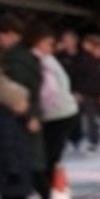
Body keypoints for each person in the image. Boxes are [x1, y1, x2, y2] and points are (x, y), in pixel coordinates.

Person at [33, 33, 81, 181]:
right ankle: (49, 188)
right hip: (64, 110)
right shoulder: (50, 59)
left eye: (51, 44)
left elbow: (49, 92)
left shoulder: (44, 60)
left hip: (57, 112)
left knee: (49, 157)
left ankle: (50, 190)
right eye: (48, 44)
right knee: (50, 156)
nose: (51, 47)